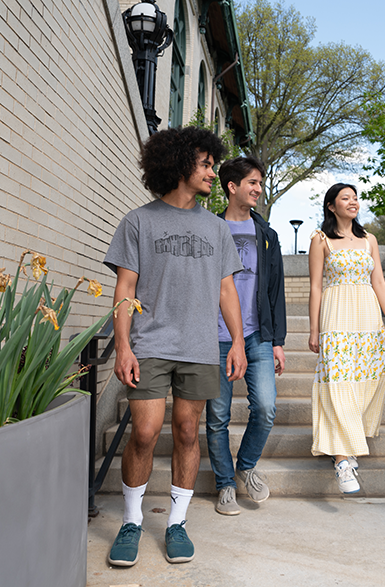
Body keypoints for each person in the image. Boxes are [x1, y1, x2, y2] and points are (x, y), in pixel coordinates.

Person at [103, 127, 247, 567]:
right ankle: (131, 521)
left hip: (200, 346)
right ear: (180, 164)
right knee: (144, 433)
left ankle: (176, 523)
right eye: (205, 163)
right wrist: (123, 346)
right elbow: (125, 287)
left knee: (187, 431)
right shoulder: (139, 221)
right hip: (149, 343)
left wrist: (237, 341)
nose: (212, 172)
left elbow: (226, 290)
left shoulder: (217, 228)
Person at [206, 156, 287, 516]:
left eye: (260, 183)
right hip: (215, 337)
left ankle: (246, 467)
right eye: (252, 182)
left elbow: (276, 290)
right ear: (232, 186)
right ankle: (225, 484)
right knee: (218, 415)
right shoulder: (210, 230)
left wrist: (278, 341)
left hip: (257, 336)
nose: (258, 189)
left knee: (266, 408)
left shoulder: (266, 234)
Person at [308, 183, 385, 494]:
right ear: (331, 206)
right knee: (338, 383)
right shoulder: (320, 241)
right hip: (336, 316)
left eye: (356, 197)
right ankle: (342, 459)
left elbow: (379, 282)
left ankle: (346, 438)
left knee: (365, 380)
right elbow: (316, 287)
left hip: (368, 318)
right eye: (346, 198)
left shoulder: (368, 239)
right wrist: (313, 328)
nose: (353, 202)